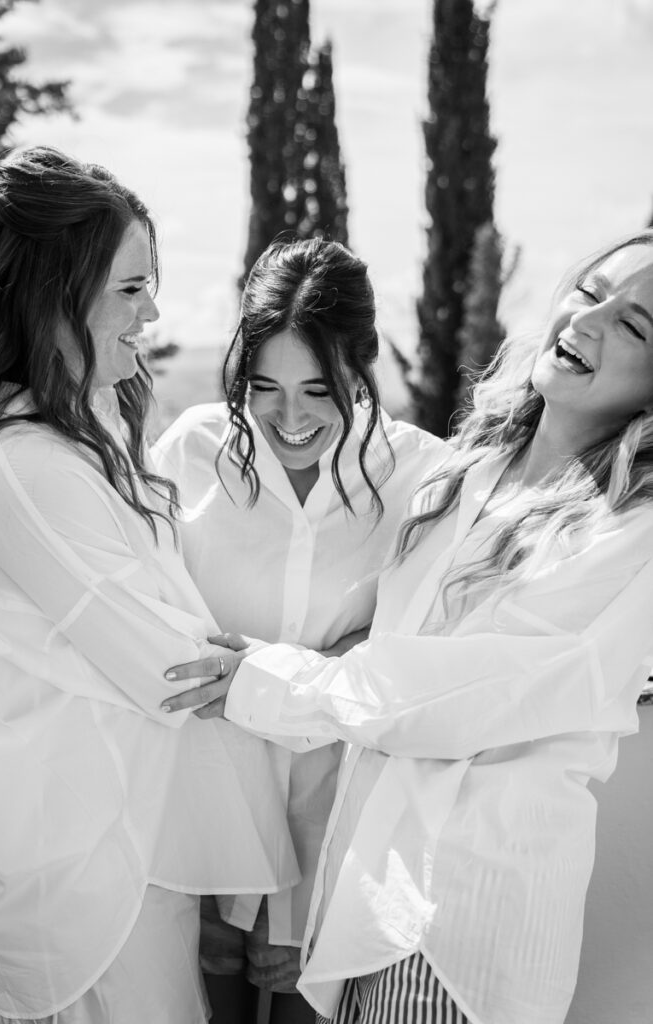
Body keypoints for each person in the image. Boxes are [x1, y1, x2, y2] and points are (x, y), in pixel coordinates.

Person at [162, 230, 653, 1024]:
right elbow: (397, 650)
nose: (586, 322)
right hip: (365, 900)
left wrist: (276, 677)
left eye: (632, 325)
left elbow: (468, 692)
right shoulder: (469, 478)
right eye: (589, 292)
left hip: (461, 918)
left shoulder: (629, 529)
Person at [0, 146, 300, 1024]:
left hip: (125, 844)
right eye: (129, 289)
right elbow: (174, 670)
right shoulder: (23, 467)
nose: (153, 311)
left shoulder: (85, 432)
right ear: (46, 293)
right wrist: (322, 673)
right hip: (82, 878)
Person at [152, 236, 444, 1024]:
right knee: (199, 993)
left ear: (364, 363)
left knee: (298, 1006)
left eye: (320, 388)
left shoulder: (424, 478)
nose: (288, 417)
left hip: (335, 808)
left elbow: (426, 649)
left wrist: (327, 662)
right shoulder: (192, 449)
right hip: (201, 794)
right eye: (264, 386)